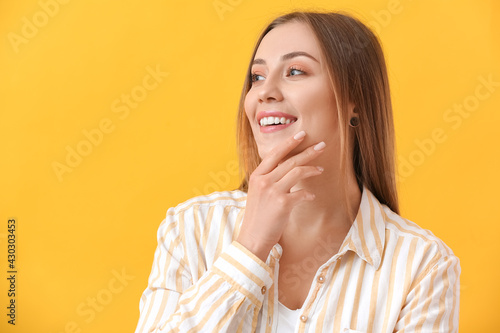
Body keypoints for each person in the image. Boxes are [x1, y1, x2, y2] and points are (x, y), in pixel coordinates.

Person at [134, 10, 461, 333]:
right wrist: (249, 249)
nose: (264, 92)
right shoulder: (190, 229)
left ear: (355, 100)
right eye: (257, 77)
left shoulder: (423, 266)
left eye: (295, 71)